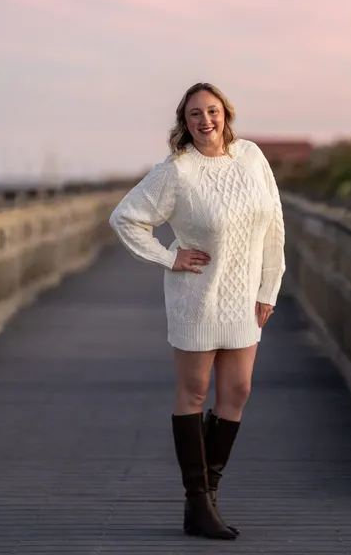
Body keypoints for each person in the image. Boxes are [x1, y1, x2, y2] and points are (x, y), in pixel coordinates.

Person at [109, 82, 285, 540]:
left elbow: (274, 227)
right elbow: (126, 217)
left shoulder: (251, 157)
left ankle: (206, 497)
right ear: (183, 123)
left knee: (238, 392)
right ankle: (198, 502)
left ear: (225, 113)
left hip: (246, 298)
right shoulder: (177, 171)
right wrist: (171, 257)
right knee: (194, 392)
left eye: (212, 111)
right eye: (194, 115)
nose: (205, 121)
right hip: (197, 299)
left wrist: (269, 287)